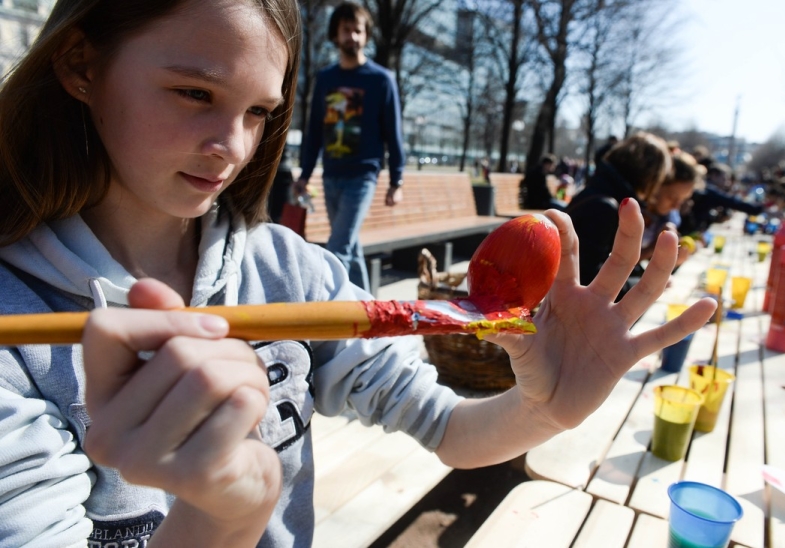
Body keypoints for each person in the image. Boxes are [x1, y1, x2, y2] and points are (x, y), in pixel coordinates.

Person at [0, 1, 716, 546]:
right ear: (82, 66)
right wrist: (224, 517)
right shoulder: (17, 331)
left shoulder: (291, 270)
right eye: (194, 93)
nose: (231, 147)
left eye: (259, 112)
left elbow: (450, 430)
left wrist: (545, 411)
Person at [295, 2, 404, 291]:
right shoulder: (326, 79)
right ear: (336, 34)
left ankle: (320, 310)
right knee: (351, 249)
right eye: (346, 30)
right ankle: (367, 313)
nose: (352, 37)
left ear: (366, 35)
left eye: (358, 31)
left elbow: (394, 133)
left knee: (338, 248)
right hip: (331, 175)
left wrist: (397, 180)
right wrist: (305, 175)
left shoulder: (381, 80)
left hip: (362, 176)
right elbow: (315, 131)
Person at [566, 132, 672, 299]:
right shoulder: (604, 208)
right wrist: (645, 284)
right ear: (648, 176)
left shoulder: (602, 192)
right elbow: (589, 282)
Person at [641, 151, 706, 267]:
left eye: (682, 200)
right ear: (656, 186)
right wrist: (653, 248)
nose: (676, 206)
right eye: (672, 198)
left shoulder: (670, 216)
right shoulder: (632, 211)